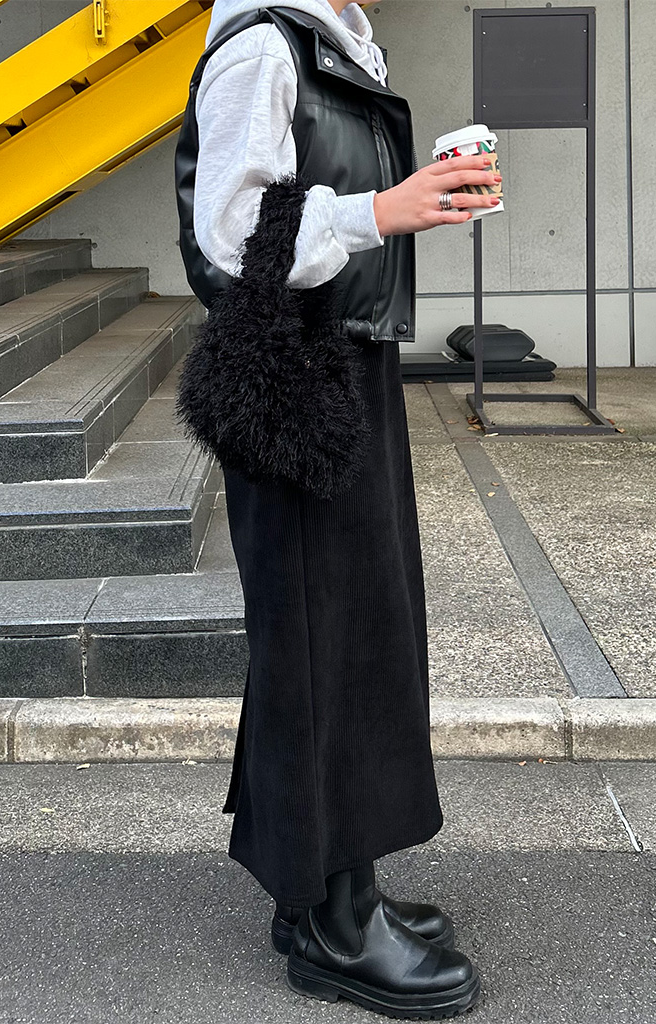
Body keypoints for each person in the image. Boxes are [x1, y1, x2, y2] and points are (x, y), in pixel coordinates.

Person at [174, 0, 501, 1017]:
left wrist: (414, 200)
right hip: (295, 377)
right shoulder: (263, 46)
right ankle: (333, 927)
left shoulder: (332, 37)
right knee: (323, 638)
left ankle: (320, 887)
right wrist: (382, 212)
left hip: (346, 361)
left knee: (348, 631)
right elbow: (231, 236)